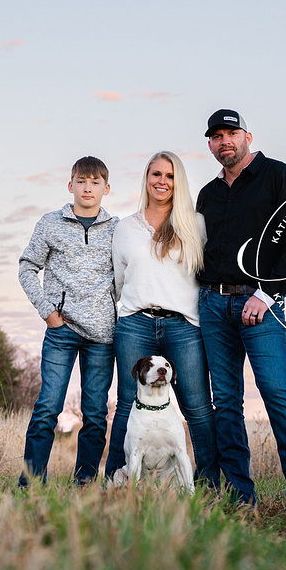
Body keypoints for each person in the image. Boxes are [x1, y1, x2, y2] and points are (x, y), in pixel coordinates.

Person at [195, 109, 286, 513]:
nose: (224, 141)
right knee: (225, 401)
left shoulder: (281, 177)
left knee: (276, 393)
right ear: (210, 144)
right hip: (213, 306)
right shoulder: (207, 195)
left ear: (247, 136)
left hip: (261, 304)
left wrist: (266, 295)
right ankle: (239, 495)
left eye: (231, 133)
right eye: (216, 136)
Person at [104, 151, 220, 489]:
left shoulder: (194, 224)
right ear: (146, 178)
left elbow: (206, 271)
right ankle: (117, 483)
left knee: (197, 407)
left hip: (184, 325)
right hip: (135, 323)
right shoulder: (126, 228)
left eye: (169, 176)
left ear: (177, 182)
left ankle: (210, 486)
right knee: (127, 404)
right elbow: (119, 280)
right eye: (156, 174)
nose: (162, 181)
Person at [18, 156, 117, 486]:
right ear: (70, 184)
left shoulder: (117, 229)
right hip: (62, 330)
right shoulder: (50, 223)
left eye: (95, 182)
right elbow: (27, 267)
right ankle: (32, 483)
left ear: (106, 188)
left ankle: (84, 483)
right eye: (82, 181)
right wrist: (48, 311)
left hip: (103, 335)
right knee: (48, 406)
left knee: (95, 413)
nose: (88, 187)